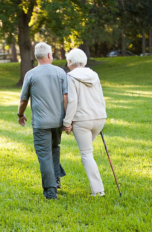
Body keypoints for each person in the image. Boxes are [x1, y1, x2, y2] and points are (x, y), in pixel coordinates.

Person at [17, 42, 68, 200]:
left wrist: (20, 114)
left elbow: (23, 100)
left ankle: (51, 190)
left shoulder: (31, 74)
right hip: (58, 122)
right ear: (48, 55)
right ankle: (56, 179)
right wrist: (67, 119)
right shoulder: (60, 72)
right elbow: (66, 97)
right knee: (54, 148)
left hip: (41, 123)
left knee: (45, 155)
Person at [63, 48, 107, 197]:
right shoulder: (94, 74)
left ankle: (98, 190)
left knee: (86, 154)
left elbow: (72, 100)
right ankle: (98, 189)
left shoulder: (70, 76)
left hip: (82, 120)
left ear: (70, 62)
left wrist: (66, 122)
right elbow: (101, 97)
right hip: (99, 118)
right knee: (88, 152)